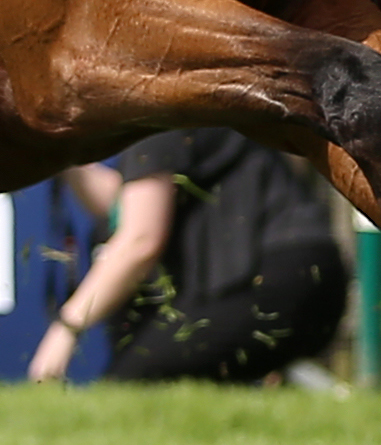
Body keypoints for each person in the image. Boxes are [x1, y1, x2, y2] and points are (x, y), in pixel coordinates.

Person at [20, 124, 353, 386]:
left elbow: (139, 241)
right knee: (163, 375)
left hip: (274, 281)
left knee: (133, 386)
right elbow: (125, 205)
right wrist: (64, 159)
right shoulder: (181, 98)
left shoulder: (156, 113)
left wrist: (66, 329)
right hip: (309, 279)